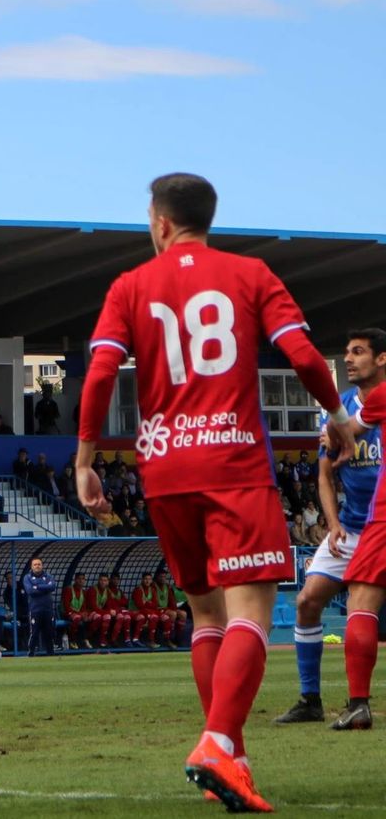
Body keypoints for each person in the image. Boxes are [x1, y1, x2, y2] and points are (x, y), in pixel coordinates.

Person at [75, 173, 350, 811]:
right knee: (250, 615)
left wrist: (87, 459)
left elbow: (99, 374)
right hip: (233, 462)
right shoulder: (251, 273)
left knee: (205, 616)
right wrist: (336, 416)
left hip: (164, 468)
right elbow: (304, 357)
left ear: (161, 222)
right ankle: (219, 741)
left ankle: (234, 758)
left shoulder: (129, 286)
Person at [273, 329, 386, 725]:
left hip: (380, 524)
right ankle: (311, 700)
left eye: (358, 352)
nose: (350, 360)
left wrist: (338, 435)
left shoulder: (370, 404)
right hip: (353, 527)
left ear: (382, 359)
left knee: (361, 604)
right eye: (347, 353)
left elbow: (346, 435)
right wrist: (333, 523)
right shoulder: (342, 407)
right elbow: (325, 472)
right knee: (307, 602)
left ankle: (358, 703)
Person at [22, 558, 58, 656]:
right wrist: (45, 588)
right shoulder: (27, 577)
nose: (37, 566)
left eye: (39, 564)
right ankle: (31, 652)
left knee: (49, 632)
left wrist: (37, 586)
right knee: (34, 633)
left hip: (48, 609)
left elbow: (52, 586)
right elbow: (30, 591)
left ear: (42, 565)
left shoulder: (48, 576)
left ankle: (51, 653)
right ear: (31, 567)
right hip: (35, 610)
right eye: (35, 564)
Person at [94, 573, 135, 648]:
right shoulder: (105, 590)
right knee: (115, 616)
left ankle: (126, 639)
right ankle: (102, 639)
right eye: (114, 579)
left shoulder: (119, 591)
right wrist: (118, 604)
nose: (115, 581)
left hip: (115, 611)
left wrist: (117, 602)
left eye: (117, 579)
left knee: (126, 617)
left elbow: (125, 602)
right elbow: (109, 604)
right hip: (105, 612)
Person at [63, 572, 99, 650]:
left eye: (83, 579)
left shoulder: (84, 592)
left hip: (79, 614)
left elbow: (85, 607)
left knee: (96, 616)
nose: (81, 581)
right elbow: (66, 607)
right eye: (79, 579)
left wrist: (85, 614)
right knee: (77, 618)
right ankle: (72, 639)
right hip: (68, 614)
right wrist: (80, 614)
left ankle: (87, 638)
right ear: (75, 580)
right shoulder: (68, 590)